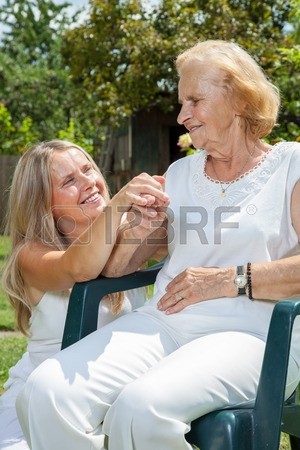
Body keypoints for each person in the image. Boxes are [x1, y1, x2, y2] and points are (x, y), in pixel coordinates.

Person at [16, 40, 300, 450]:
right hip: (165, 321)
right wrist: (138, 226)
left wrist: (227, 280)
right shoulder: (180, 172)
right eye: (182, 102)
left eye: (194, 100)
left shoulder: (290, 166)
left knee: (142, 408)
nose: (182, 115)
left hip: (255, 331)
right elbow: (115, 270)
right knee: (47, 393)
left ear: (238, 97)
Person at [0, 140, 169, 450]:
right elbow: (79, 268)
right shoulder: (32, 255)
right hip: (43, 406)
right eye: (68, 181)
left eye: (88, 169)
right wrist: (118, 205)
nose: (88, 182)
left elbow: (182, 245)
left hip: (117, 392)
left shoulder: (128, 231)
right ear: (44, 204)